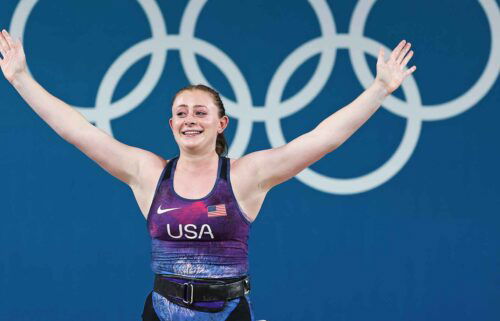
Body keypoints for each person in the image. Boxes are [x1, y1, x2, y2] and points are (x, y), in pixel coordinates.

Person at [0, 28, 416, 320]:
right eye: (181, 113)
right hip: (160, 314)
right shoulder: (148, 174)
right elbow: (77, 131)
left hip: (230, 315)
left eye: (201, 112)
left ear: (221, 123)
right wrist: (20, 78)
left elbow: (322, 139)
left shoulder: (247, 176)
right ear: (171, 125)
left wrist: (379, 89)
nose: (190, 119)